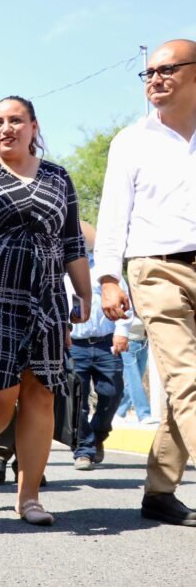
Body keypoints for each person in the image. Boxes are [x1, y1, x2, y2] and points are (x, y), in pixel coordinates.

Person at [0, 96, 90, 526]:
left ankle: (29, 496)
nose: (6, 129)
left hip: (48, 297)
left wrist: (84, 293)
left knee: (41, 392)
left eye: (15, 120)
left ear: (34, 127)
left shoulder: (58, 177)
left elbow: (72, 242)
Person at [94, 39, 196, 528]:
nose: (154, 78)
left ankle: (159, 491)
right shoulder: (131, 141)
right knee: (188, 378)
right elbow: (113, 215)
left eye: (167, 69)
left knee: (181, 388)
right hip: (156, 269)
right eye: (149, 72)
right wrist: (108, 279)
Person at [65, 222, 129, 471]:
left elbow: (125, 301)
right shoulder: (60, 271)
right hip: (74, 344)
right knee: (76, 400)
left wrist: (122, 332)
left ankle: (98, 434)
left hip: (105, 343)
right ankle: (84, 450)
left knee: (112, 393)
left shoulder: (106, 271)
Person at [115, 318, 154, 424]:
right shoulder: (127, 307)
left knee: (134, 382)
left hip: (143, 343)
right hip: (128, 344)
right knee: (134, 380)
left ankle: (119, 411)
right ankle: (144, 414)